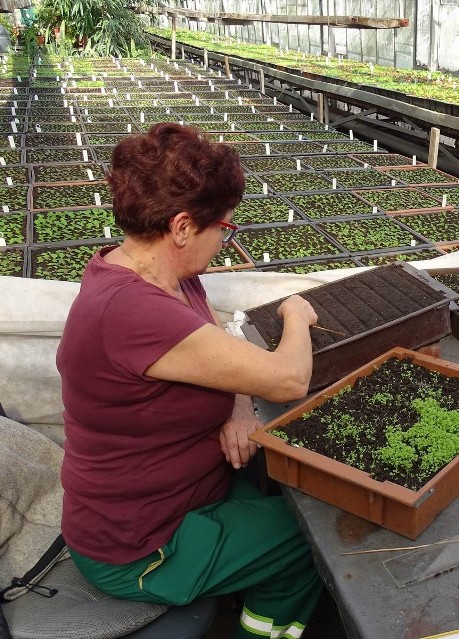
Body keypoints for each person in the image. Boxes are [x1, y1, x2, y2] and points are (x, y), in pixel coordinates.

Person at [56, 123, 324, 638]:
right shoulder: (131, 309)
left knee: (295, 496)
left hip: (190, 496)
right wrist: (295, 314)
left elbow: (214, 344)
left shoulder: (168, 278)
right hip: (140, 546)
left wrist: (239, 407)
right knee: (311, 537)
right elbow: (289, 379)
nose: (225, 239)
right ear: (181, 227)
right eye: (224, 226)